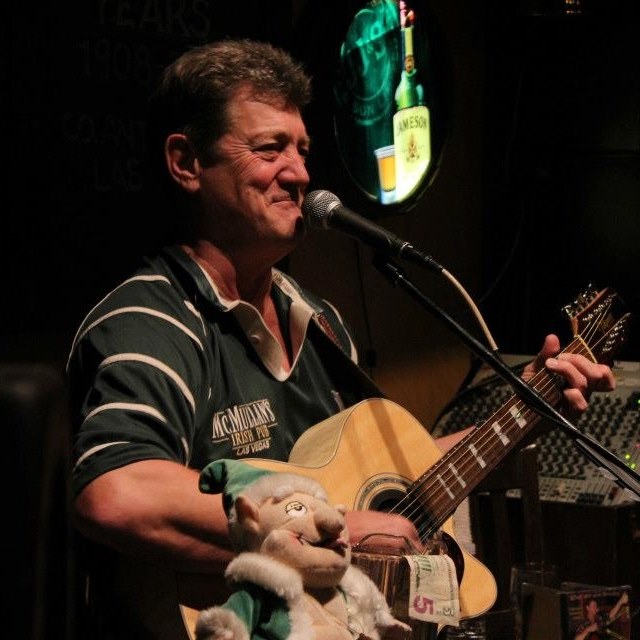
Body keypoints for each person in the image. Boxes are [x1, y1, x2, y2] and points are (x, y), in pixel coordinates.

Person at [67, 39, 616, 639]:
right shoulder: (149, 322)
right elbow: (117, 493)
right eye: (269, 148)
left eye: (302, 150)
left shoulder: (319, 321)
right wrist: (341, 528)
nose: (300, 173)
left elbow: (380, 482)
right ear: (186, 162)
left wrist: (527, 410)